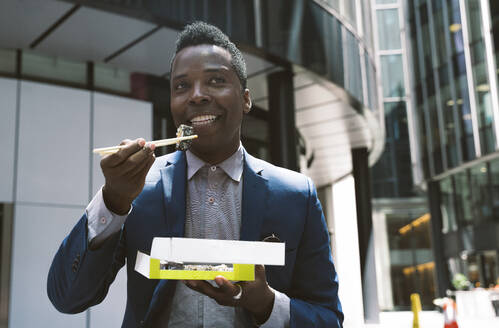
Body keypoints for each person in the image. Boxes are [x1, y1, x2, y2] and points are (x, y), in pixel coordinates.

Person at [47, 22, 343, 328]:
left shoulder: (296, 196)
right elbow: (67, 298)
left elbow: (328, 319)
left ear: (245, 99)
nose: (197, 96)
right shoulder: (138, 189)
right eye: (181, 86)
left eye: (215, 81)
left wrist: (266, 303)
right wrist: (112, 202)